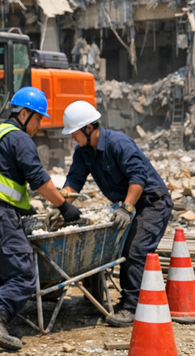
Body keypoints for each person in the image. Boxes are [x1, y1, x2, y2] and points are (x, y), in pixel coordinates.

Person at [0, 87, 81, 351]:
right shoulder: (18, 138)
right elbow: (39, 179)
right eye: (39, 118)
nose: (39, 126)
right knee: (23, 274)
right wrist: (65, 207)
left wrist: (22, 206)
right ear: (25, 113)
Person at [61, 100, 172, 327]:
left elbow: (137, 180)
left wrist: (127, 208)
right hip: (128, 205)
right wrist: (62, 205)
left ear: (88, 128)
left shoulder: (118, 143)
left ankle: (132, 307)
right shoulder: (83, 152)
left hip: (151, 203)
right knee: (101, 245)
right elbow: (74, 181)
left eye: (74, 132)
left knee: (134, 250)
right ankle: (108, 299)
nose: (72, 137)